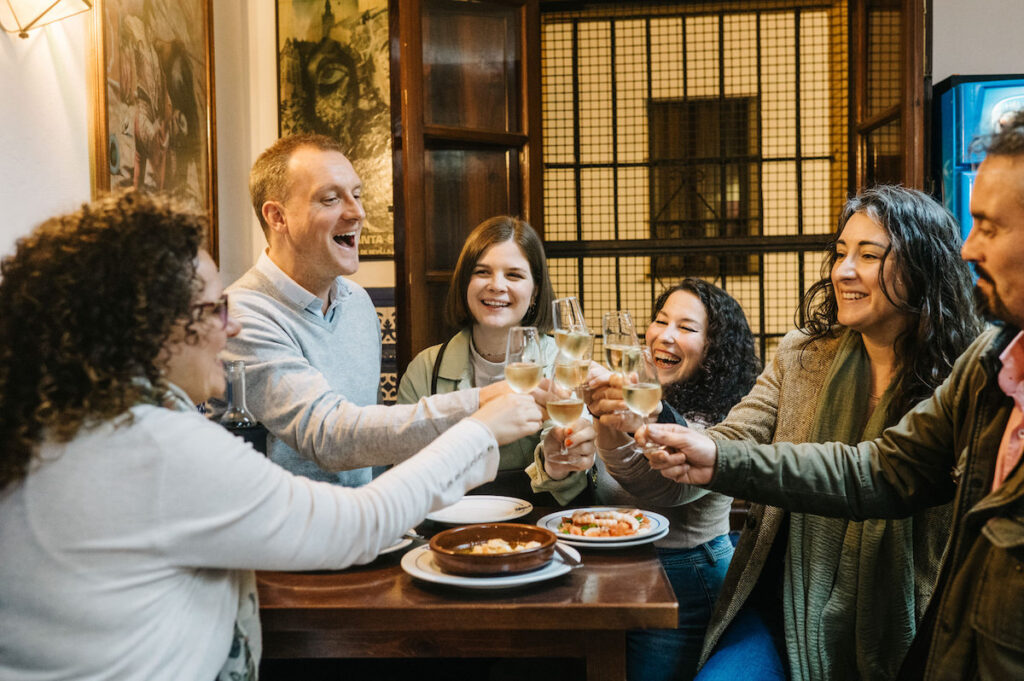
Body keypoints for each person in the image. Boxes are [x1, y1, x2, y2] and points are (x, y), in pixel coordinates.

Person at [0, 192, 542, 681]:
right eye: (214, 309)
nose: (230, 327)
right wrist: (477, 429)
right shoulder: (154, 445)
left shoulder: (48, 426)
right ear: (149, 328)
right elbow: (360, 522)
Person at [639, 113, 1024, 681]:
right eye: (841, 251)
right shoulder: (812, 355)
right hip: (788, 601)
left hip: (912, 618)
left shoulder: (965, 366)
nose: (844, 270)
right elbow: (877, 471)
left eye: (869, 255)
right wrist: (671, 435)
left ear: (921, 268)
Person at [224, 134, 514, 485]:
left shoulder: (358, 302)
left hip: (366, 530)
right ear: (277, 217)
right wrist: (480, 402)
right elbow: (330, 435)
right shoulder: (241, 317)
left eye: (357, 195)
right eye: (331, 199)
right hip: (292, 535)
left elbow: (368, 440)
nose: (357, 212)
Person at [533, 278, 760, 681]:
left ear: (712, 351)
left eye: (686, 328)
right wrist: (555, 460)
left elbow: (665, 488)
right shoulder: (634, 393)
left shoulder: (729, 417)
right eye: (660, 320)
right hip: (609, 572)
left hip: (686, 575)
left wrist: (607, 425)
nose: (665, 335)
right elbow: (573, 476)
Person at [398, 216, 595, 501]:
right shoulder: (426, 368)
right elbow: (405, 474)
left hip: (540, 527)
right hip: (450, 530)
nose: (496, 285)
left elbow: (571, 460)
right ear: (465, 281)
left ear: (535, 289)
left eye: (513, 275)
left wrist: (558, 462)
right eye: (482, 272)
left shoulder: (561, 362)